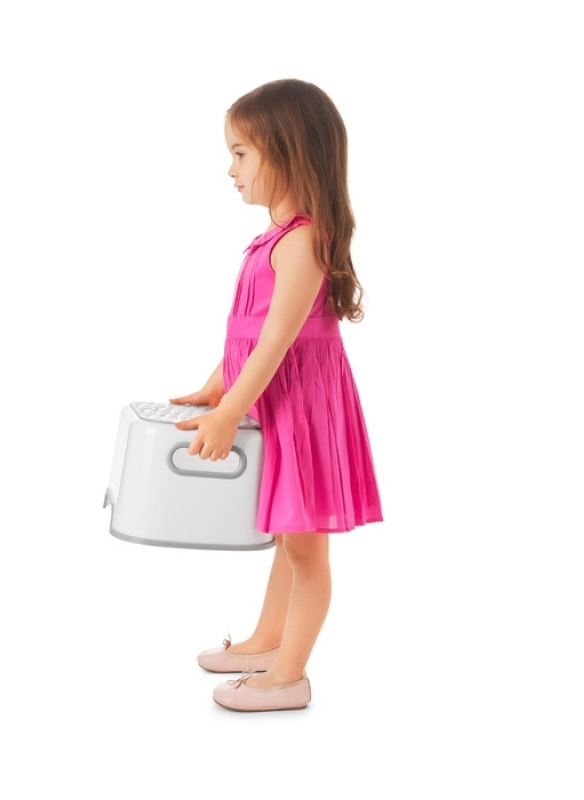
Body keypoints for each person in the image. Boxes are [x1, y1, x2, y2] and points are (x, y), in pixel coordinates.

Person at [170, 79, 382, 712]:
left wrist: (230, 412)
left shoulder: (303, 241)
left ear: (288, 153)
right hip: (281, 406)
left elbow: (277, 341)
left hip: (303, 412)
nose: (230, 169)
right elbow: (251, 331)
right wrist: (218, 383)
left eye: (241, 153)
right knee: (289, 537)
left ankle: (289, 676)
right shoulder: (275, 237)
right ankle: (266, 643)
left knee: (305, 546)